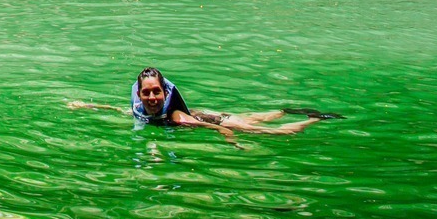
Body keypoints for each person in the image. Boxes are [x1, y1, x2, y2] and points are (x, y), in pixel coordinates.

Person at [129, 68, 321, 136]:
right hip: (215, 114)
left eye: (157, 92)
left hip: (221, 121)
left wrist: (226, 133)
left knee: (272, 132)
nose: (152, 98)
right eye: (146, 93)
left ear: (165, 92)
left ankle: (313, 119)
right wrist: (100, 107)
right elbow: (125, 111)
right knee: (254, 119)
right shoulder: (141, 110)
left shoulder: (176, 116)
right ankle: (284, 111)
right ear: (139, 94)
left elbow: (207, 125)